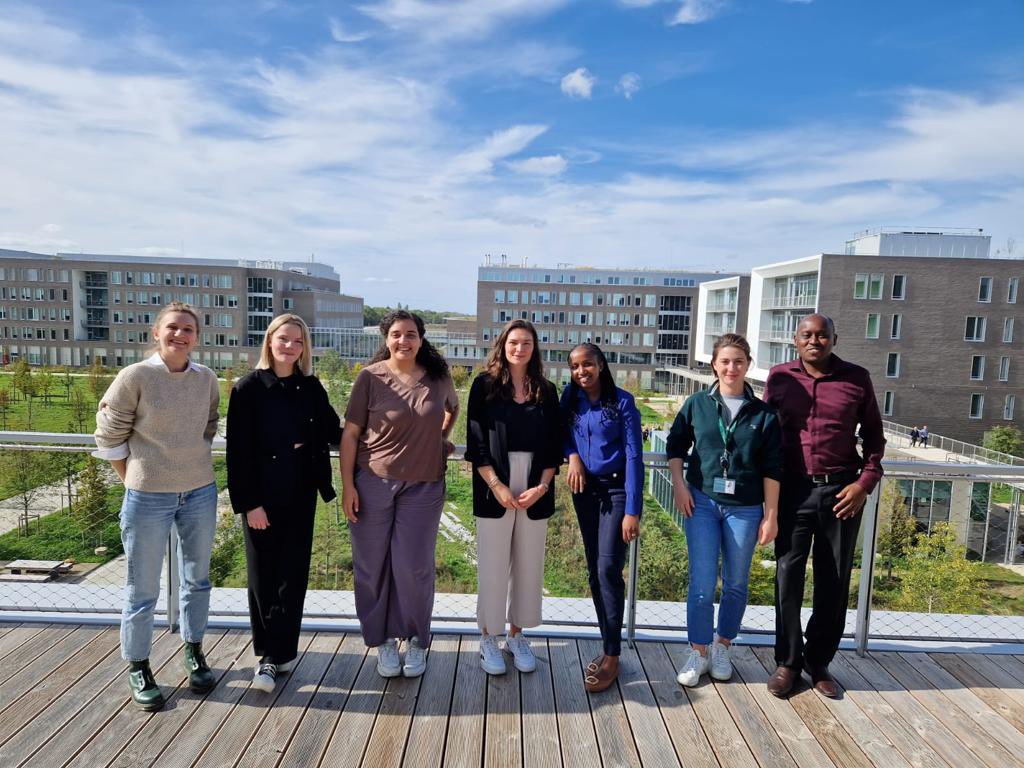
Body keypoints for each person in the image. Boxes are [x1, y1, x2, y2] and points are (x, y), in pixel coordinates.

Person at [93, 301, 220, 711]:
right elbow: (108, 432)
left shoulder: (206, 379)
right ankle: (139, 665)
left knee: (197, 579)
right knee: (142, 588)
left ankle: (193, 649)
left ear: (197, 337)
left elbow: (209, 423)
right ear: (156, 333)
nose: (180, 335)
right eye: (172, 328)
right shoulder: (135, 376)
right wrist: (131, 477)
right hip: (147, 494)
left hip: (200, 490)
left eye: (188, 329)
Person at [763, 314, 885, 699]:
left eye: (822, 335)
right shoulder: (780, 377)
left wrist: (863, 485)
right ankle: (787, 662)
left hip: (841, 495)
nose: (814, 341)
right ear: (795, 340)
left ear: (834, 338)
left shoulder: (857, 378)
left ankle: (819, 664)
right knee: (787, 579)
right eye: (807, 335)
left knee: (833, 582)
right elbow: (765, 435)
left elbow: (876, 441)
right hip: (793, 492)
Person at [340, 310, 459, 678]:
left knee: (414, 566)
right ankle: (384, 642)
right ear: (386, 339)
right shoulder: (370, 378)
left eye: (410, 334)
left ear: (421, 339)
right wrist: (347, 486)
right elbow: (350, 435)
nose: (403, 341)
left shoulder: (439, 378)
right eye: (396, 334)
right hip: (373, 483)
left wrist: (440, 438)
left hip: (424, 486)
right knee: (371, 566)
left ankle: (418, 639)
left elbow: (452, 409)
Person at [226, 314, 341, 693]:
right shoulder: (248, 389)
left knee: (293, 575)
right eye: (284, 339)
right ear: (270, 342)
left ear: (304, 348)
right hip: (262, 494)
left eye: (297, 341)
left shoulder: (310, 387)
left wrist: (386, 428)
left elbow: (334, 430)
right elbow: (237, 454)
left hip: (301, 490)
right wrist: (250, 504)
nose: (290, 346)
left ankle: (282, 651)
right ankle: (268, 656)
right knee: (263, 576)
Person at [666, 334, 783, 687]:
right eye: (725, 361)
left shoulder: (764, 414)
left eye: (739, 362)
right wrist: (679, 485)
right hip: (701, 503)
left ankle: (723, 645)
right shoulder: (697, 404)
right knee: (701, 584)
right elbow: (675, 445)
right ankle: (698, 651)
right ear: (714, 364)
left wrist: (771, 514)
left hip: (745, 509)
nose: (731, 368)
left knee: (735, 583)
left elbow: (772, 468)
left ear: (748, 365)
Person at [465, 320, 562, 676]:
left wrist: (543, 486)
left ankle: (517, 636)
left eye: (526, 343)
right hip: (495, 482)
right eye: (513, 342)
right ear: (502, 345)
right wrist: (497, 485)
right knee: (492, 565)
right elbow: (475, 443)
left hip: (536, 483)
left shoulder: (547, 390)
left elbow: (555, 445)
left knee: (527, 564)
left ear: (535, 348)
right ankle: (489, 637)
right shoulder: (484, 386)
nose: (519, 348)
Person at [561, 343, 644, 692]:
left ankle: (612, 655)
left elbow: (635, 457)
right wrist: (572, 456)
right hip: (584, 492)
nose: (583, 372)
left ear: (601, 365)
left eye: (588, 365)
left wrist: (632, 511)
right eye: (576, 367)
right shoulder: (570, 397)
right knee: (595, 570)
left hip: (615, 492)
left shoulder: (622, 401)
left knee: (609, 568)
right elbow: (560, 431)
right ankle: (607, 644)